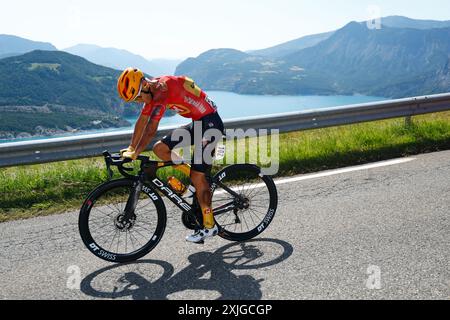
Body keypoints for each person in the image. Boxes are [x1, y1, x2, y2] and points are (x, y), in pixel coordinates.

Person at [117, 67, 224, 243]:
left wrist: (136, 152)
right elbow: (142, 121)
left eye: (137, 97)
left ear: (144, 85)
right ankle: (193, 185)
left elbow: (151, 128)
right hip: (198, 123)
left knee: (199, 177)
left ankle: (210, 226)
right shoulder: (151, 91)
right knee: (160, 149)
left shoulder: (161, 90)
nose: (137, 102)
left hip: (211, 124)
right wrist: (131, 147)